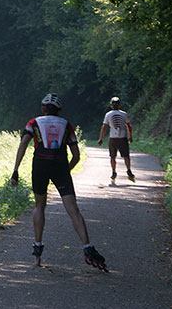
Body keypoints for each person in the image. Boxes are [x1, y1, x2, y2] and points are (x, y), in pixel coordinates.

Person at [11, 93, 107, 271]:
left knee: (39, 205)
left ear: (43, 108)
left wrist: (15, 171)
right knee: (73, 209)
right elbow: (77, 156)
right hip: (60, 165)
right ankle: (87, 247)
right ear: (59, 111)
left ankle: (38, 245)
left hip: (39, 165)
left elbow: (23, 144)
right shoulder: (67, 125)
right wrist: (64, 172)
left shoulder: (33, 123)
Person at [97, 96, 134, 182]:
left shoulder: (108, 115)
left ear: (111, 106)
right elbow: (129, 126)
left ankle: (114, 172)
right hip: (123, 137)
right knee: (126, 156)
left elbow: (104, 127)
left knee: (112, 156)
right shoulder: (124, 114)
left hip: (113, 138)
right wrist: (130, 136)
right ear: (119, 105)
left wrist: (101, 138)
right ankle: (128, 170)